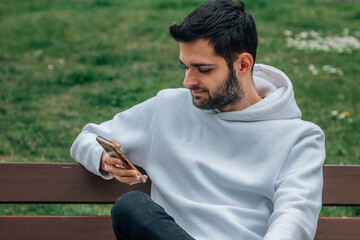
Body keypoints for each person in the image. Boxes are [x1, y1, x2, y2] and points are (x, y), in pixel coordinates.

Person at [70, 0, 326, 239]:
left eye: (203, 69)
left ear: (243, 65)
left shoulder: (299, 138)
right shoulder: (166, 109)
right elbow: (88, 137)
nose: (188, 81)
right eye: (186, 66)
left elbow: (294, 217)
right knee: (132, 207)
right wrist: (103, 159)